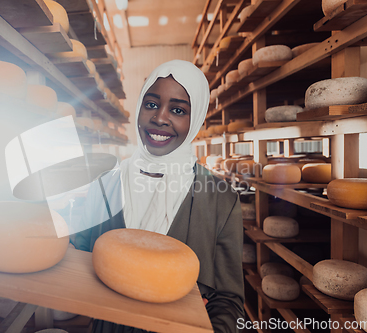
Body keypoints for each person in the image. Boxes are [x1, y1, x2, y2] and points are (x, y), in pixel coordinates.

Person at [71, 60, 244, 333]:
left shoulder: (220, 200)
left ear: (196, 117)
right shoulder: (105, 185)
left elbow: (229, 300)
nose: (160, 118)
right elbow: (79, 264)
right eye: (151, 104)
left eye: (177, 110)